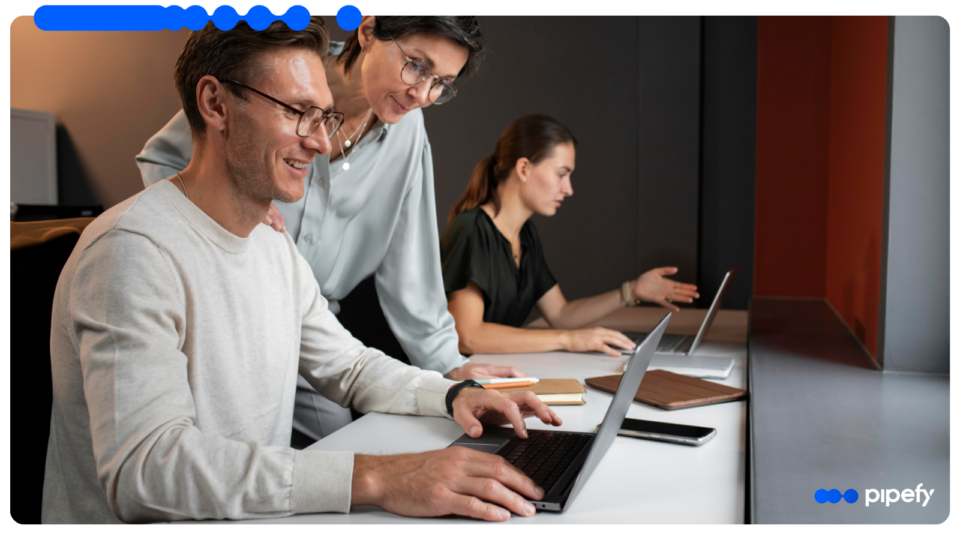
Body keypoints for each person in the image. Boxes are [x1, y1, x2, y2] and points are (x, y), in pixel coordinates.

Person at [42, 18, 561, 524]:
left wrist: (454, 394)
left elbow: (350, 367)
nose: (319, 143)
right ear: (214, 103)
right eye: (297, 112)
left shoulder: (273, 248)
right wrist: (381, 478)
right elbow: (145, 471)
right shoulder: (131, 253)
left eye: (325, 117)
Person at [135, 16, 523, 445]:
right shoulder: (280, 71)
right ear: (368, 31)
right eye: (416, 64)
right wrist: (226, 214)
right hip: (231, 307)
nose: (422, 93)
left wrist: (450, 372)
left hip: (318, 329)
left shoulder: (407, 132)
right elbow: (165, 158)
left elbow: (409, 261)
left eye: (441, 84)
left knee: (341, 447)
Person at [440, 115, 700, 357]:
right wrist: (568, 339)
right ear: (524, 168)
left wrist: (631, 291)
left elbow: (561, 314)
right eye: (561, 174)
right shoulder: (471, 230)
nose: (569, 189)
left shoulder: (525, 234)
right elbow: (468, 336)